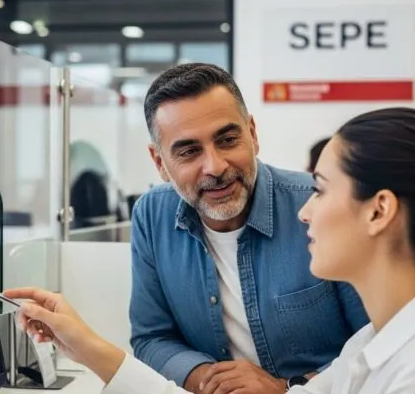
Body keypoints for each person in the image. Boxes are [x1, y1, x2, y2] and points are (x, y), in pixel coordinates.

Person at [6, 107, 415, 393]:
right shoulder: (373, 346)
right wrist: (86, 345)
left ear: (379, 210)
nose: (305, 211)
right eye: (188, 150)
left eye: (320, 190)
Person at [126, 63, 367, 393]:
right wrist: (210, 380)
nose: (215, 166)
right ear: (159, 163)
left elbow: (377, 342)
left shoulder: (318, 204)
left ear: (252, 134)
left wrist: (287, 387)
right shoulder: (152, 215)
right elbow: (152, 337)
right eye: (189, 151)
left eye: (227, 139)